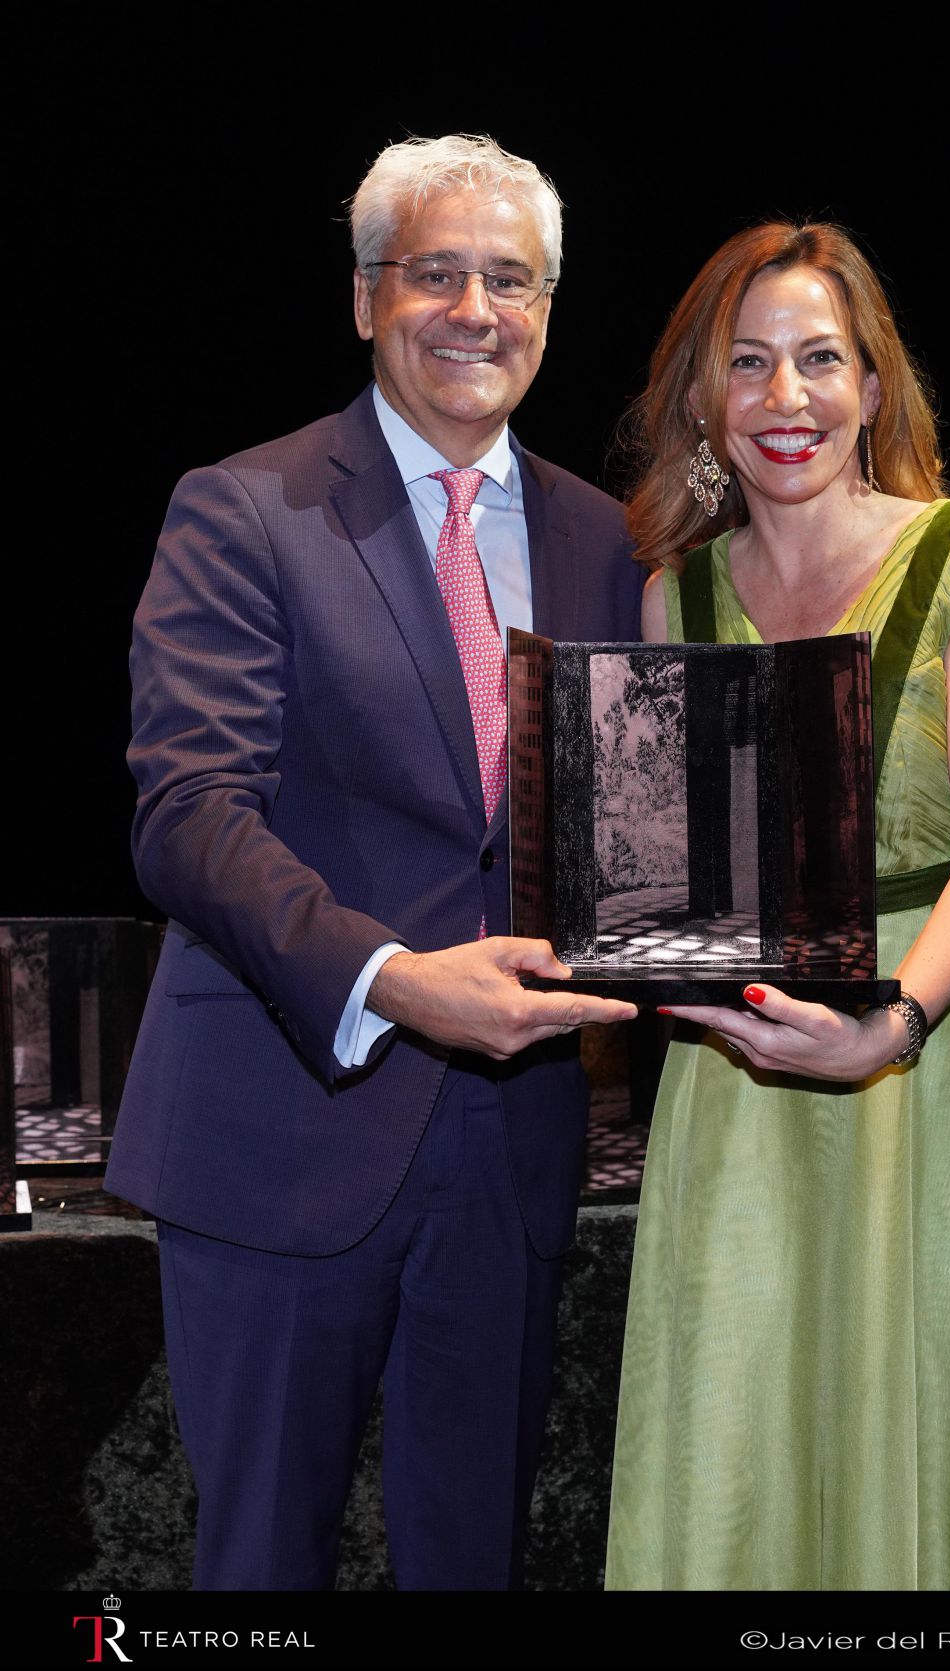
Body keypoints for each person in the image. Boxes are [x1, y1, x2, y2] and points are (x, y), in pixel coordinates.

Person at [105, 133, 643, 1591]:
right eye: (438, 275)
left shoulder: (607, 543)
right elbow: (190, 815)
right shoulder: (245, 506)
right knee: (259, 1570)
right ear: (365, 298)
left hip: (510, 1156)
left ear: (546, 307)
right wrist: (397, 982)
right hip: (280, 1126)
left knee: (472, 1561)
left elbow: (634, 823)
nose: (478, 310)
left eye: (512, 281)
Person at [604, 222, 950, 1591]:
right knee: (746, 1426)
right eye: (749, 365)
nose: (786, 400)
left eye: (820, 361)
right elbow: (670, 882)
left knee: (942, 1410)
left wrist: (894, 1020)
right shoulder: (677, 595)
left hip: (947, 1050)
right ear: (701, 400)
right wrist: (639, 965)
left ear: (872, 387)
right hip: (741, 1072)